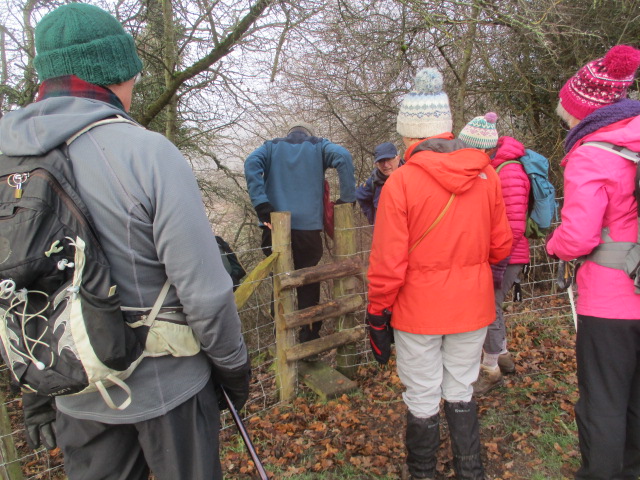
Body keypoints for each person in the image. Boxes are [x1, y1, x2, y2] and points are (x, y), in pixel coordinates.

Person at [0, 4, 251, 479]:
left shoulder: (7, 159)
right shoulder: (148, 152)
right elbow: (205, 292)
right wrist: (233, 370)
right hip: (168, 389)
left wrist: (36, 390)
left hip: (73, 389)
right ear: (114, 72)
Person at [366, 67, 512, 480]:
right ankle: (471, 472)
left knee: (422, 394)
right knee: (461, 389)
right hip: (472, 306)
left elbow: (388, 263)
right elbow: (501, 246)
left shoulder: (400, 183)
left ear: (411, 136)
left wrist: (377, 313)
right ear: (446, 129)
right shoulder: (486, 175)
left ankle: (423, 473)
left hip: (419, 311)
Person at [546, 44, 640, 479]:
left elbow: (579, 236)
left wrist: (554, 246)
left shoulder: (591, 153)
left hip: (611, 301)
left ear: (581, 110)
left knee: (603, 400)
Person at [244, 122, 356, 343]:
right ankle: (309, 337)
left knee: (280, 280)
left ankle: (281, 339)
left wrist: (262, 204)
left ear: (289, 135)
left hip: (273, 226)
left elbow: (251, 163)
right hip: (308, 229)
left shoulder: (271, 147)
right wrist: (347, 198)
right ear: (308, 134)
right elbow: (343, 156)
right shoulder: (318, 146)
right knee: (308, 281)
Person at [458, 113, 531, 395]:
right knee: (493, 307)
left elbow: (514, 225)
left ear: (483, 148)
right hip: (503, 252)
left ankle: (490, 370)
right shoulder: (494, 167)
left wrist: (495, 256)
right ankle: (502, 356)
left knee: (488, 309)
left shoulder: (507, 171)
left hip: (507, 254)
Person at [356, 142, 403, 224]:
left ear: (398, 158)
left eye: (388, 159)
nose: (385, 165)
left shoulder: (410, 177)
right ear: (376, 164)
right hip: (384, 229)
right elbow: (360, 196)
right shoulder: (373, 182)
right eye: (381, 161)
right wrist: (374, 219)